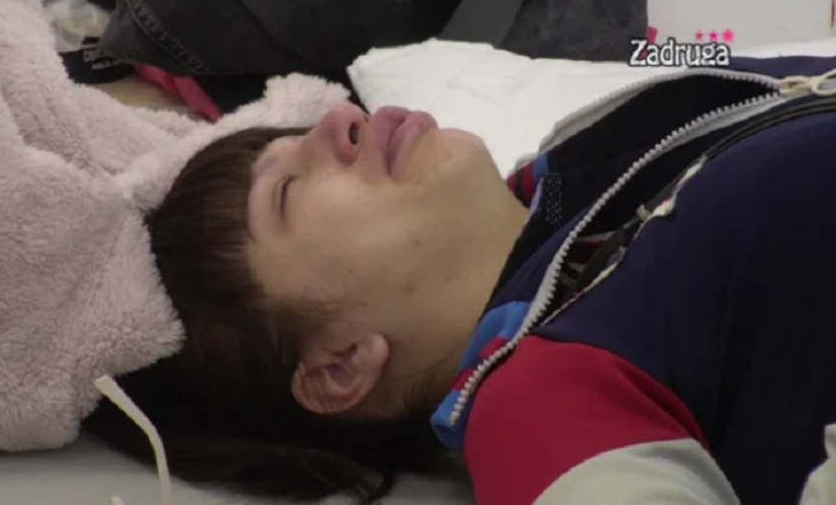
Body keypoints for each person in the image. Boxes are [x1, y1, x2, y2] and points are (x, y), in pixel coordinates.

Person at [85, 55, 836, 505]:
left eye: (296, 140)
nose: (338, 121)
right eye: (285, 193)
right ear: (340, 365)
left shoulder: (588, 166)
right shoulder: (534, 408)